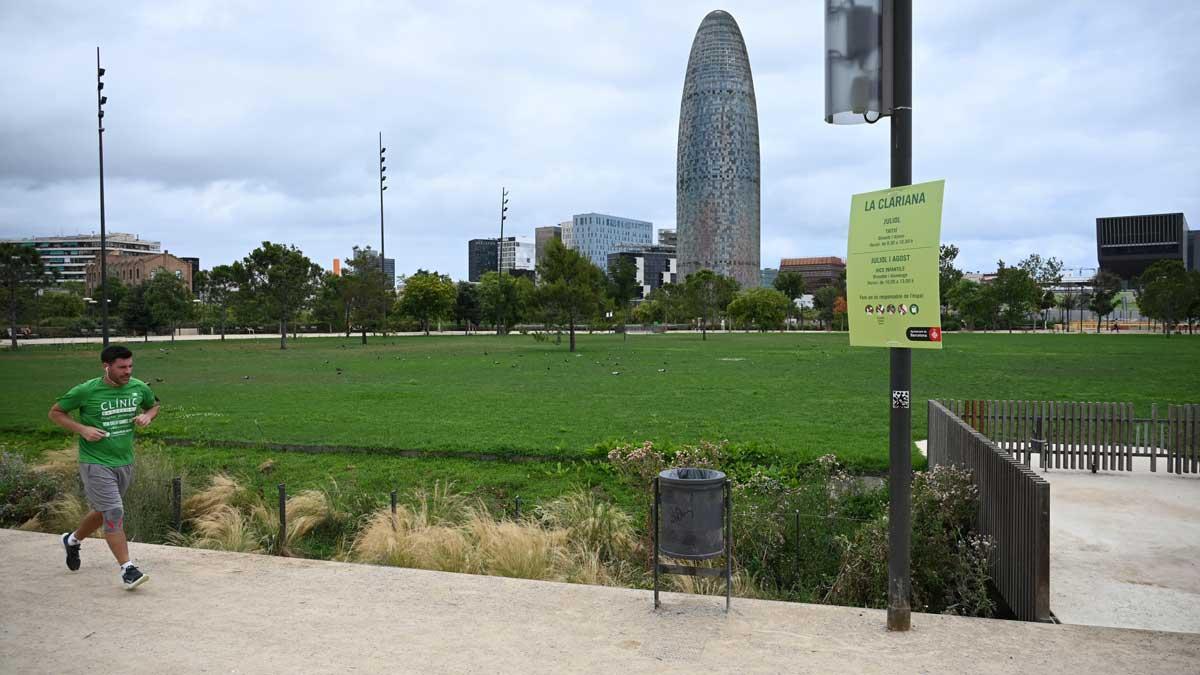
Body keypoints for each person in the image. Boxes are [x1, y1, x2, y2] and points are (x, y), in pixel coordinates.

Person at [48, 345, 159, 590]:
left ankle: (73, 540)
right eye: (122, 367)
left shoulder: (139, 387)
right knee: (114, 511)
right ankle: (128, 569)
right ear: (106, 366)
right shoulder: (86, 390)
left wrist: (148, 416)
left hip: (124, 461)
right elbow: (56, 413)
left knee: (103, 510)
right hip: (95, 462)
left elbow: (154, 405)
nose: (127, 372)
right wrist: (83, 429)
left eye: (130, 366)